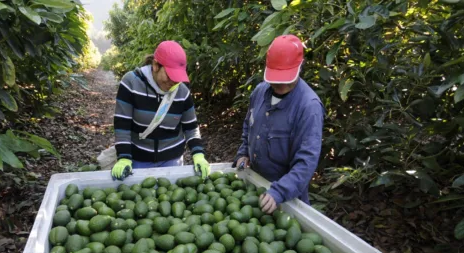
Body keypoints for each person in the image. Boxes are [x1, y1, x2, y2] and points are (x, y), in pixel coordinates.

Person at [233, 34, 325, 214]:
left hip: (287, 198)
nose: (280, 84)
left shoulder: (308, 107)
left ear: (300, 66)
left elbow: (306, 162)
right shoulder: (260, 93)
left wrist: (279, 192)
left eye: (286, 77)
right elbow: (248, 126)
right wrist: (244, 152)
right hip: (255, 187)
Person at [110, 40, 210, 181]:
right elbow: (122, 124)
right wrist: (124, 157)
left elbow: (191, 127)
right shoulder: (131, 83)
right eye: (169, 76)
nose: (173, 83)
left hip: (172, 160)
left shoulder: (182, 91)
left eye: (177, 78)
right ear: (156, 65)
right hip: (139, 158)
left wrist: (198, 154)